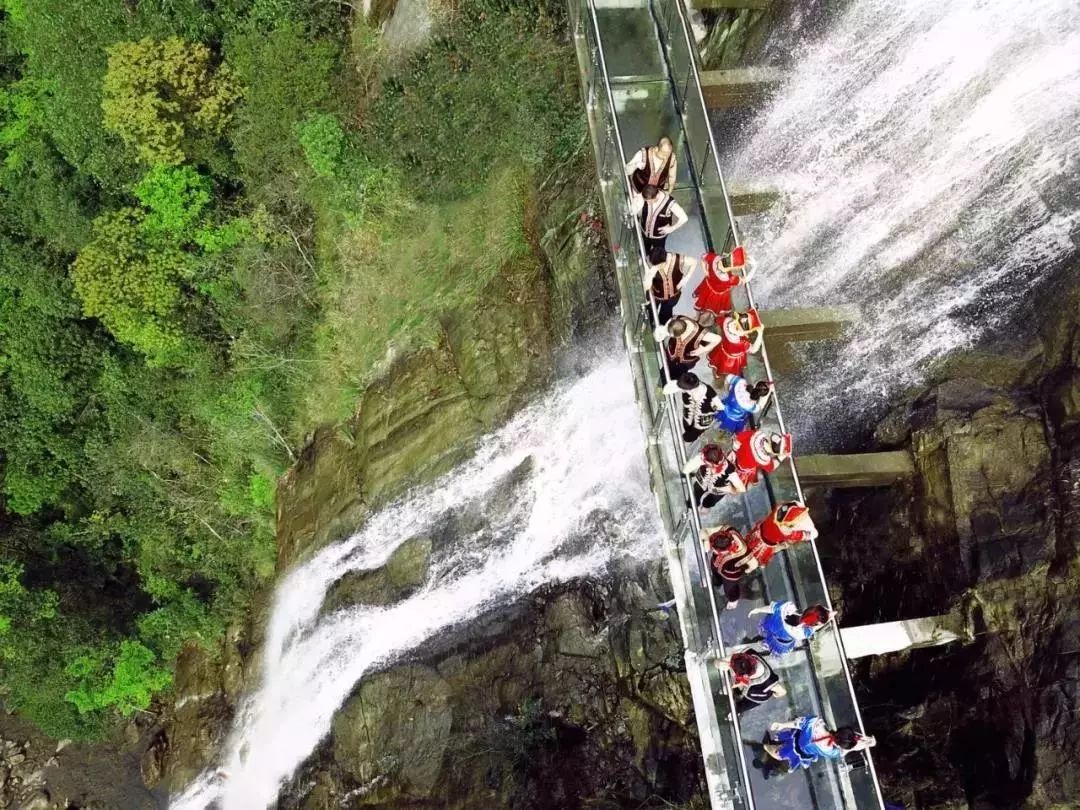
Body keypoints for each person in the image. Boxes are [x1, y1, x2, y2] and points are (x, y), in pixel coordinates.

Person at [762, 716, 876, 776]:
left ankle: (766, 746)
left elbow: (798, 723)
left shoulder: (815, 723)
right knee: (779, 754)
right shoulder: (835, 752)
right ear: (843, 746)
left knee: (779, 751)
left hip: (796, 737)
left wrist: (782, 725)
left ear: (840, 730)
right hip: (802, 752)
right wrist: (869, 742)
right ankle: (765, 748)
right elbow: (854, 747)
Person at [745, 501, 818, 569]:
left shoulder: (785, 531)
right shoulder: (778, 509)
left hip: (762, 540)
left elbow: (808, 535)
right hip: (760, 533)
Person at [721, 428, 793, 495]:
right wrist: (783, 456)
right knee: (748, 485)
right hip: (740, 470)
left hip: (732, 456)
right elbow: (771, 467)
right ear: (775, 452)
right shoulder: (764, 459)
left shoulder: (758, 434)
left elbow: (738, 439)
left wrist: (735, 450)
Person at [746, 602, 832, 656]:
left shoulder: (787, 607)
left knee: (766, 631)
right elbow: (817, 627)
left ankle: (763, 641)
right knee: (772, 641)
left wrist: (757, 610)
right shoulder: (802, 632)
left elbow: (771, 608)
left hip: (773, 624)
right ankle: (765, 644)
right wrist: (828, 618)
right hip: (782, 640)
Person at [715, 649, 786, 711]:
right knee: (727, 688)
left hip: (755, 697)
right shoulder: (746, 654)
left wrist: (776, 694)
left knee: (737, 708)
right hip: (748, 686)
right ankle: (721, 693)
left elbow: (781, 691)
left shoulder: (768, 683)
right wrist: (721, 663)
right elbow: (719, 662)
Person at [654, 314, 720, 380]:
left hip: (685, 361)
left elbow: (718, 338)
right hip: (671, 354)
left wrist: (704, 349)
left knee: (679, 375)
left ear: (682, 333)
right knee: (665, 369)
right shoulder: (676, 319)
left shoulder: (699, 333)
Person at [693, 246, 755, 316]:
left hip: (708, 286)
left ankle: (699, 312)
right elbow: (745, 280)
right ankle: (706, 315)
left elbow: (703, 256)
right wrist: (754, 267)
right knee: (714, 306)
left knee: (702, 301)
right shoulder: (729, 279)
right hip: (718, 294)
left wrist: (705, 271)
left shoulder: (715, 258)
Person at [701, 525, 752, 608]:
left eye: (714, 549)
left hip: (730, 575)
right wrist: (706, 540)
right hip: (716, 564)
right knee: (715, 575)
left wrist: (748, 570)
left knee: (730, 590)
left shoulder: (742, 552)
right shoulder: (727, 530)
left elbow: (753, 563)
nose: (712, 549)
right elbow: (703, 531)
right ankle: (715, 582)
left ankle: (733, 600)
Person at [644, 247, 697, 326]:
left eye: (660, 265)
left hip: (673, 296)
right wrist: (651, 273)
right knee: (650, 311)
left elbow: (694, 262)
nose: (658, 267)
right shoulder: (651, 264)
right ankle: (649, 325)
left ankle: (662, 326)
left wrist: (686, 279)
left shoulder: (677, 259)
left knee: (666, 314)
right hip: (655, 295)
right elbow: (646, 286)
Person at [664, 372, 720, 443]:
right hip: (690, 414)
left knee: (695, 432)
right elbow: (667, 390)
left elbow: (718, 404)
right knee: (687, 425)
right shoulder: (685, 385)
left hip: (703, 418)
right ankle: (691, 423)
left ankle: (697, 430)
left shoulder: (707, 390)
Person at [632, 184, 688, 255]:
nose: (648, 203)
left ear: (657, 196)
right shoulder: (645, 194)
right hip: (644, 231)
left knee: (658, 252)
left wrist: (671, 228)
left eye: (650, 201)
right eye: (647, 201)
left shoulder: (669, 202)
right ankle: (644, 255)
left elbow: (684, 217)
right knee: (644, 247)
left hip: (658, 237)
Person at [708, 308, 764, 377]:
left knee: (718, 364)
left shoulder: (727, 321)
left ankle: (716, 373)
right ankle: (722, 375)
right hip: (731, 360)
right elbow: (753, 349)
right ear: (743, 333)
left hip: (723, 349)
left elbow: (718, 319)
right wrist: (760, 333)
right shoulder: (742, 344)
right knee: (727, 369)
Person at [682, 442, 732, 507]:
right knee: (707, 501)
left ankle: (694, 506)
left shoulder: (702, 458)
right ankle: (702, 506)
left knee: (698, 499)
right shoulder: (730, 467)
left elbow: (685, 470)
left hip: (707, 482)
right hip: (717, 487)